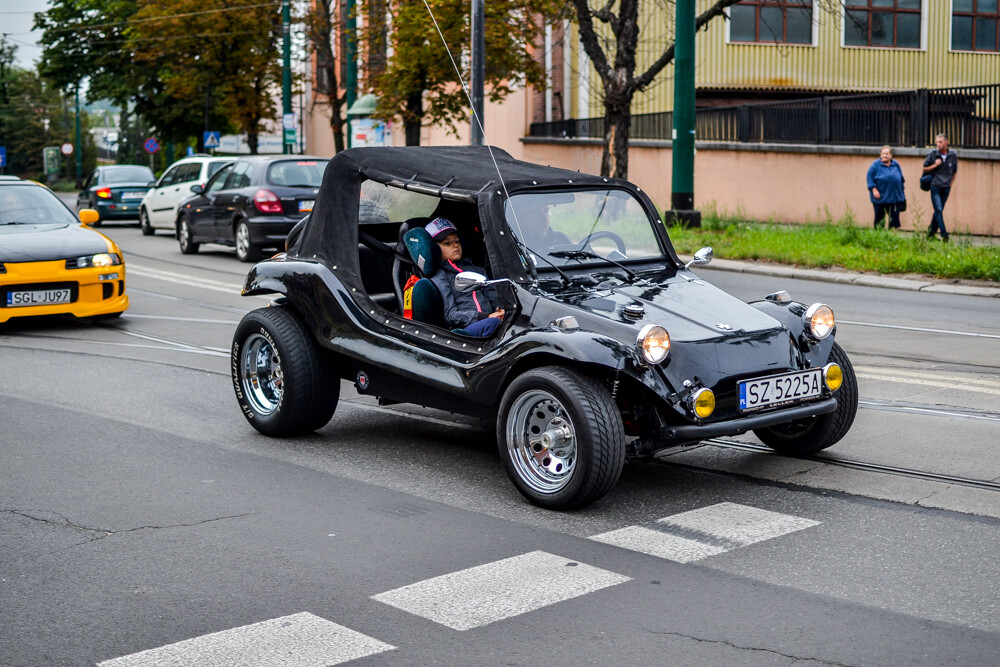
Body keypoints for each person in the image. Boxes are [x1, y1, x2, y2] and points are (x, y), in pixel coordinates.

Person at [425, 217, 505, 337]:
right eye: (447, 243)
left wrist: (499, 310)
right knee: (493, 323)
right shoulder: (440, 277)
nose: (455, 246)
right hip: (466, 328)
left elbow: (492, 296)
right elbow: (450, 315)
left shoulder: (477, 270)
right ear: (434, 249)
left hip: (490, 318)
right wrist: (485, 317)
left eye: (457, 241)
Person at [923, 133, 958, 242]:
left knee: (938, 211)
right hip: (935, 186)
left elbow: (955, 172)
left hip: (946, 187)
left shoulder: (953, 156)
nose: (938, 144)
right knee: (938, 209)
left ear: (946, 143)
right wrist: (935, 165)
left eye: (940, 142)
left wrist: (950, 185)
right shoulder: (933, 154)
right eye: (937, 142)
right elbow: (924, 168)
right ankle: (944, 234)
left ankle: (930, 233)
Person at [866, 145, 905, 229]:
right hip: (880, 197)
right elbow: (869, 178)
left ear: (891, 155)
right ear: (880, 155)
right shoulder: (875, 165)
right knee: (879, 219)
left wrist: (902, 194)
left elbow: (901, 179)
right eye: (883, 153)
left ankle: (892, 237)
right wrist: (874, 189)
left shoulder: (896, 164)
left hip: (894, 197)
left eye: (887, 154)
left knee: (894, 219)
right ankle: (879, 237)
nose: (885, 155)